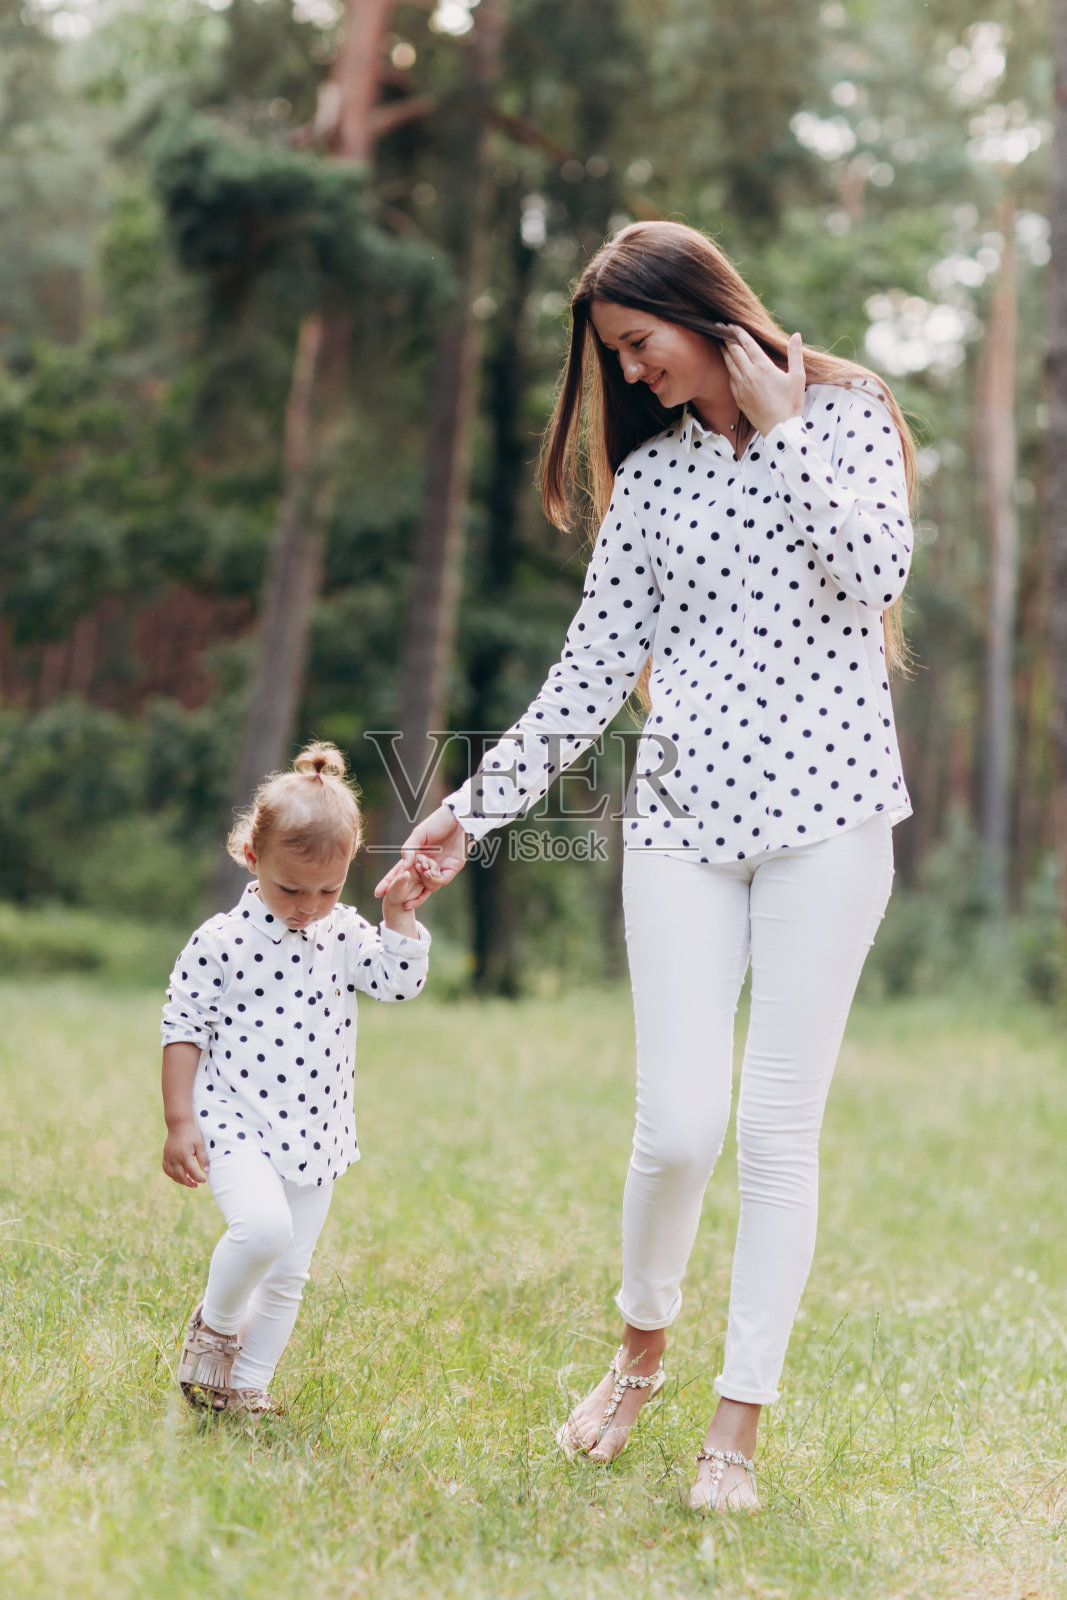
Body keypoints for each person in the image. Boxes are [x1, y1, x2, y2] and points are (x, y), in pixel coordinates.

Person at [377, 220, 914, 1510]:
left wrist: (781, 430)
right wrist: (467, 810)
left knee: (777, 1134)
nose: (632, 375)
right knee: (676, 1128)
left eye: (638, 346)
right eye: (614, 360)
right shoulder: (656, 483)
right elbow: (584, 678)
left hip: (828, 829)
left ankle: (735, 1424)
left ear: (698, 307)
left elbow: (876, 571)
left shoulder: (848, 419)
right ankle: (638, 1350)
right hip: (677, 829)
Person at [161, 741, 435, 1416]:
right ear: (252, 857)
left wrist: (398, 916)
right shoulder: (219, 941)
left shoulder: (342, 933)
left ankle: (244, 1386)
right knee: (260, 1229)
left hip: (317, 1132)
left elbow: (398, 984)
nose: (308, 905)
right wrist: (178, 1120)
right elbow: (183, 1027)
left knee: (288, 1275)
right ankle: (215, 1330)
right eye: (291, 888)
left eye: (328, 889)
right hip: (234, 1120)